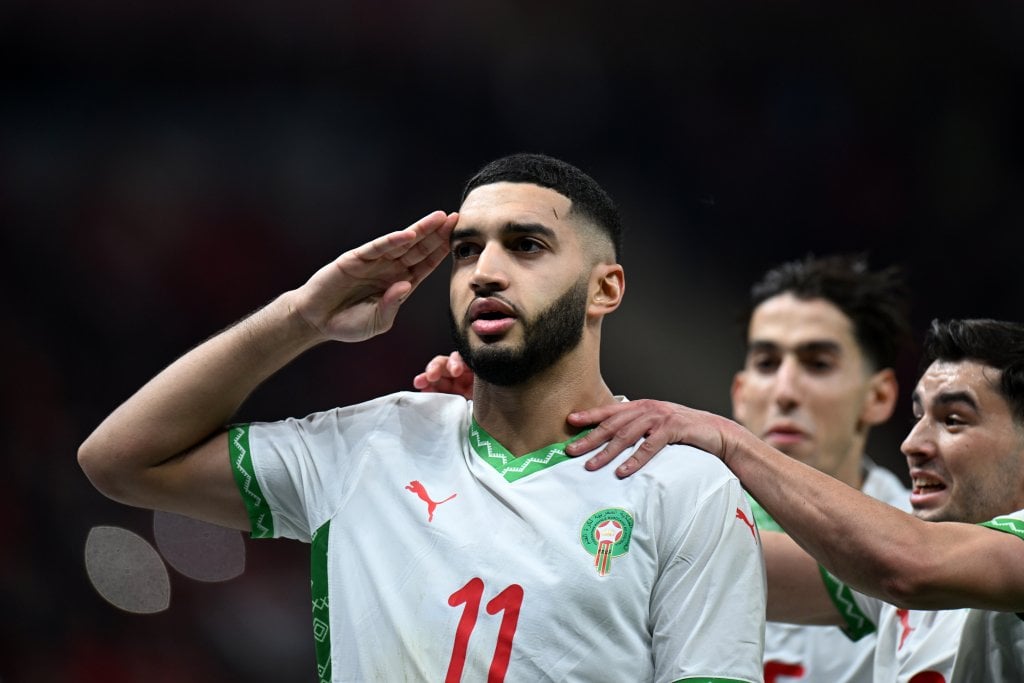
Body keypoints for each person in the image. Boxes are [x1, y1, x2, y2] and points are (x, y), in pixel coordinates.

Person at [78, 153, 766, 683]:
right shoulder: (370, 444)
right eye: (467, 249)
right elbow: (119, 460)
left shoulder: (683, 486)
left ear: (605, 288)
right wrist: (301, 316)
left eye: (525, 245)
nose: (484, 272)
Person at [415, 253, 913, 683]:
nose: (785, 391)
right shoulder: (675, 496)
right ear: (740, 392)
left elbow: (874, 567)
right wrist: (511, 437)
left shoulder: (913, 539)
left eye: (817, 364)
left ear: (880, 395)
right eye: (766, 363)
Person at [565, 318, 1024, 681]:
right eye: (919, 417)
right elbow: (697, 556)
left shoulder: (917, 561)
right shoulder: (901, 562)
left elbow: (907, 565)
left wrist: (733, 443)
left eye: (954, 420)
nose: (912, 444)